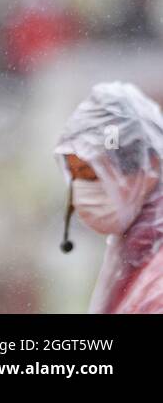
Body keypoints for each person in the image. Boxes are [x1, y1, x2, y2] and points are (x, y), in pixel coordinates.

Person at [55, 81, 163, 312]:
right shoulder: (132, 259)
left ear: (147, 168)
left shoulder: (157, 286)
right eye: (73, 174)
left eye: (90, 173)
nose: (79, 192)